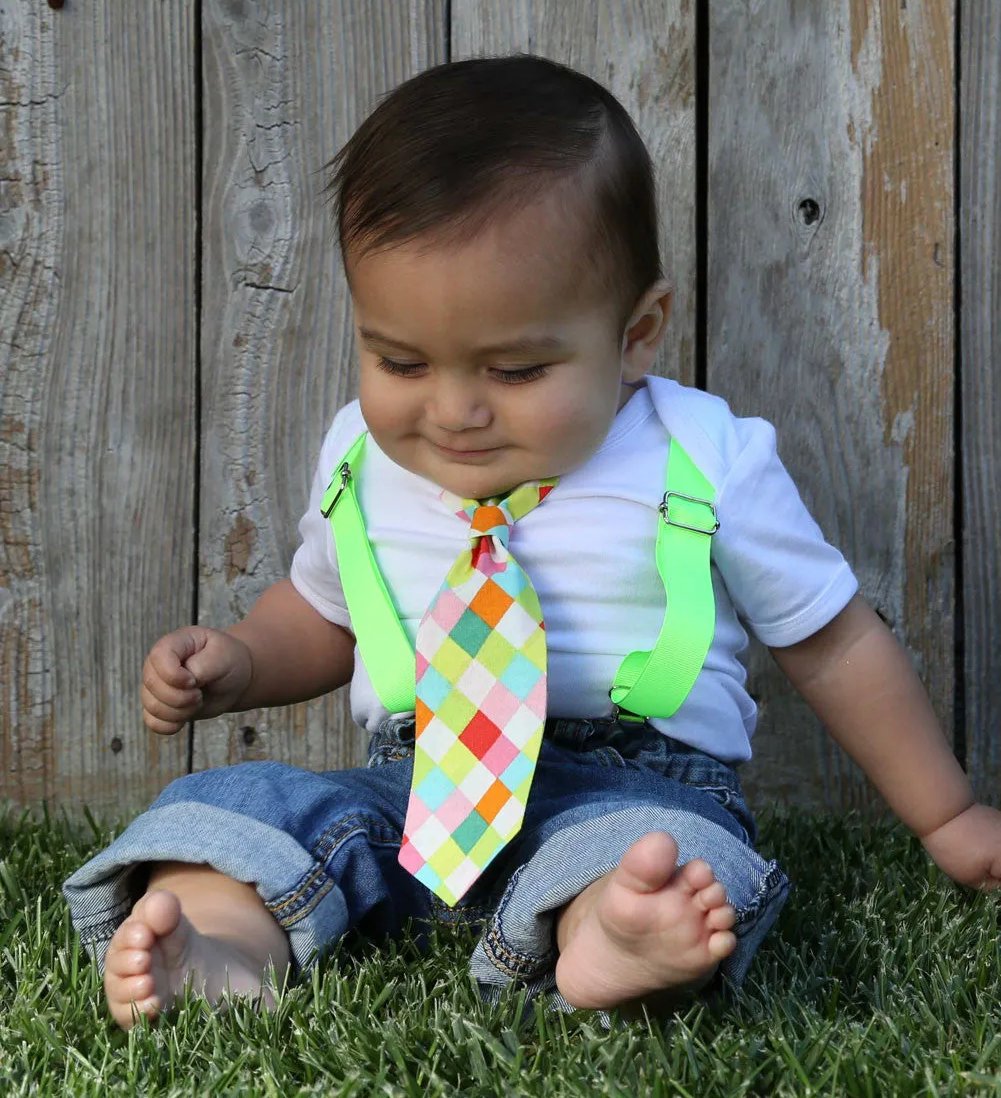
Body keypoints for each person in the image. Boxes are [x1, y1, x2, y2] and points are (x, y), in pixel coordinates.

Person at [63, 55, 1001, 1031]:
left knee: (668, 858)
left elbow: (833, 641)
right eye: (399, 359)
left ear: (636, 334)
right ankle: (222, 948)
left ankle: (609, 933)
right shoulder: (359, 453)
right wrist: (241, 660)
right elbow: (326, 613)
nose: (454, 409)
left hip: (635, 780)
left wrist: (942, 813)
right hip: (413, 787)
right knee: (243, 807)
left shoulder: (702, 454)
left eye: (512, 368)